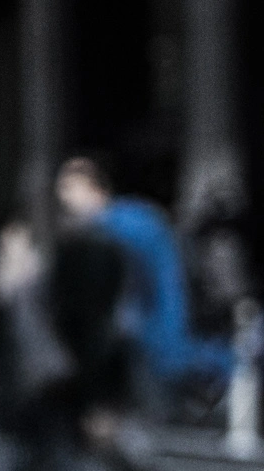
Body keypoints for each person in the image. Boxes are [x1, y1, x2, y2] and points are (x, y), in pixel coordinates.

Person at [0, 195, 221, 471]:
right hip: (54, 391)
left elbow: (90, 337)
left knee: (120, 467)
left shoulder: (67, 272)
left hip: (70, 389)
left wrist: (98, 400)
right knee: (33, 469)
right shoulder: (41, 273)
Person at [54, 157, 236, 410]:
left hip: (152, 323)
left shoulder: (119, 224)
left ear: (93, 187)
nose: (64, 197)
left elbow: (138, 280)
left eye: (70, 187)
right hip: (154, 322)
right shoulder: (126, 220)